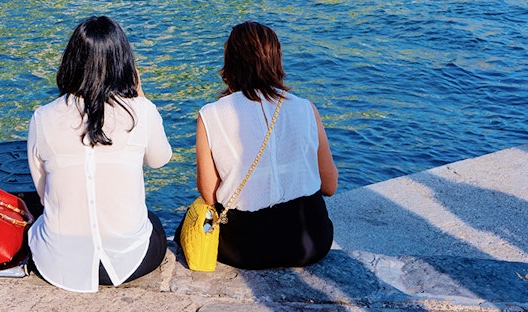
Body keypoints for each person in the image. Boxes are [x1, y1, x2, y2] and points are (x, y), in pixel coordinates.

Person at [28, 16, 172, 293]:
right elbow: (160, 159)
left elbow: (43, 191)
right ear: (124, 63)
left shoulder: (43, 117)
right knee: (152, 222)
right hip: (129, 262)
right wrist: (140, 97)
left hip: (59, 262)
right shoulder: (140, 112)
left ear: (71, 62)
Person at [181, 21, 337, 270]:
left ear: (230, 62)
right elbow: (329, 186)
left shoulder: (211, 115)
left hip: (247, 248)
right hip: (312, 241)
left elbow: (209, 193)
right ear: (276, 60)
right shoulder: (306, 109)